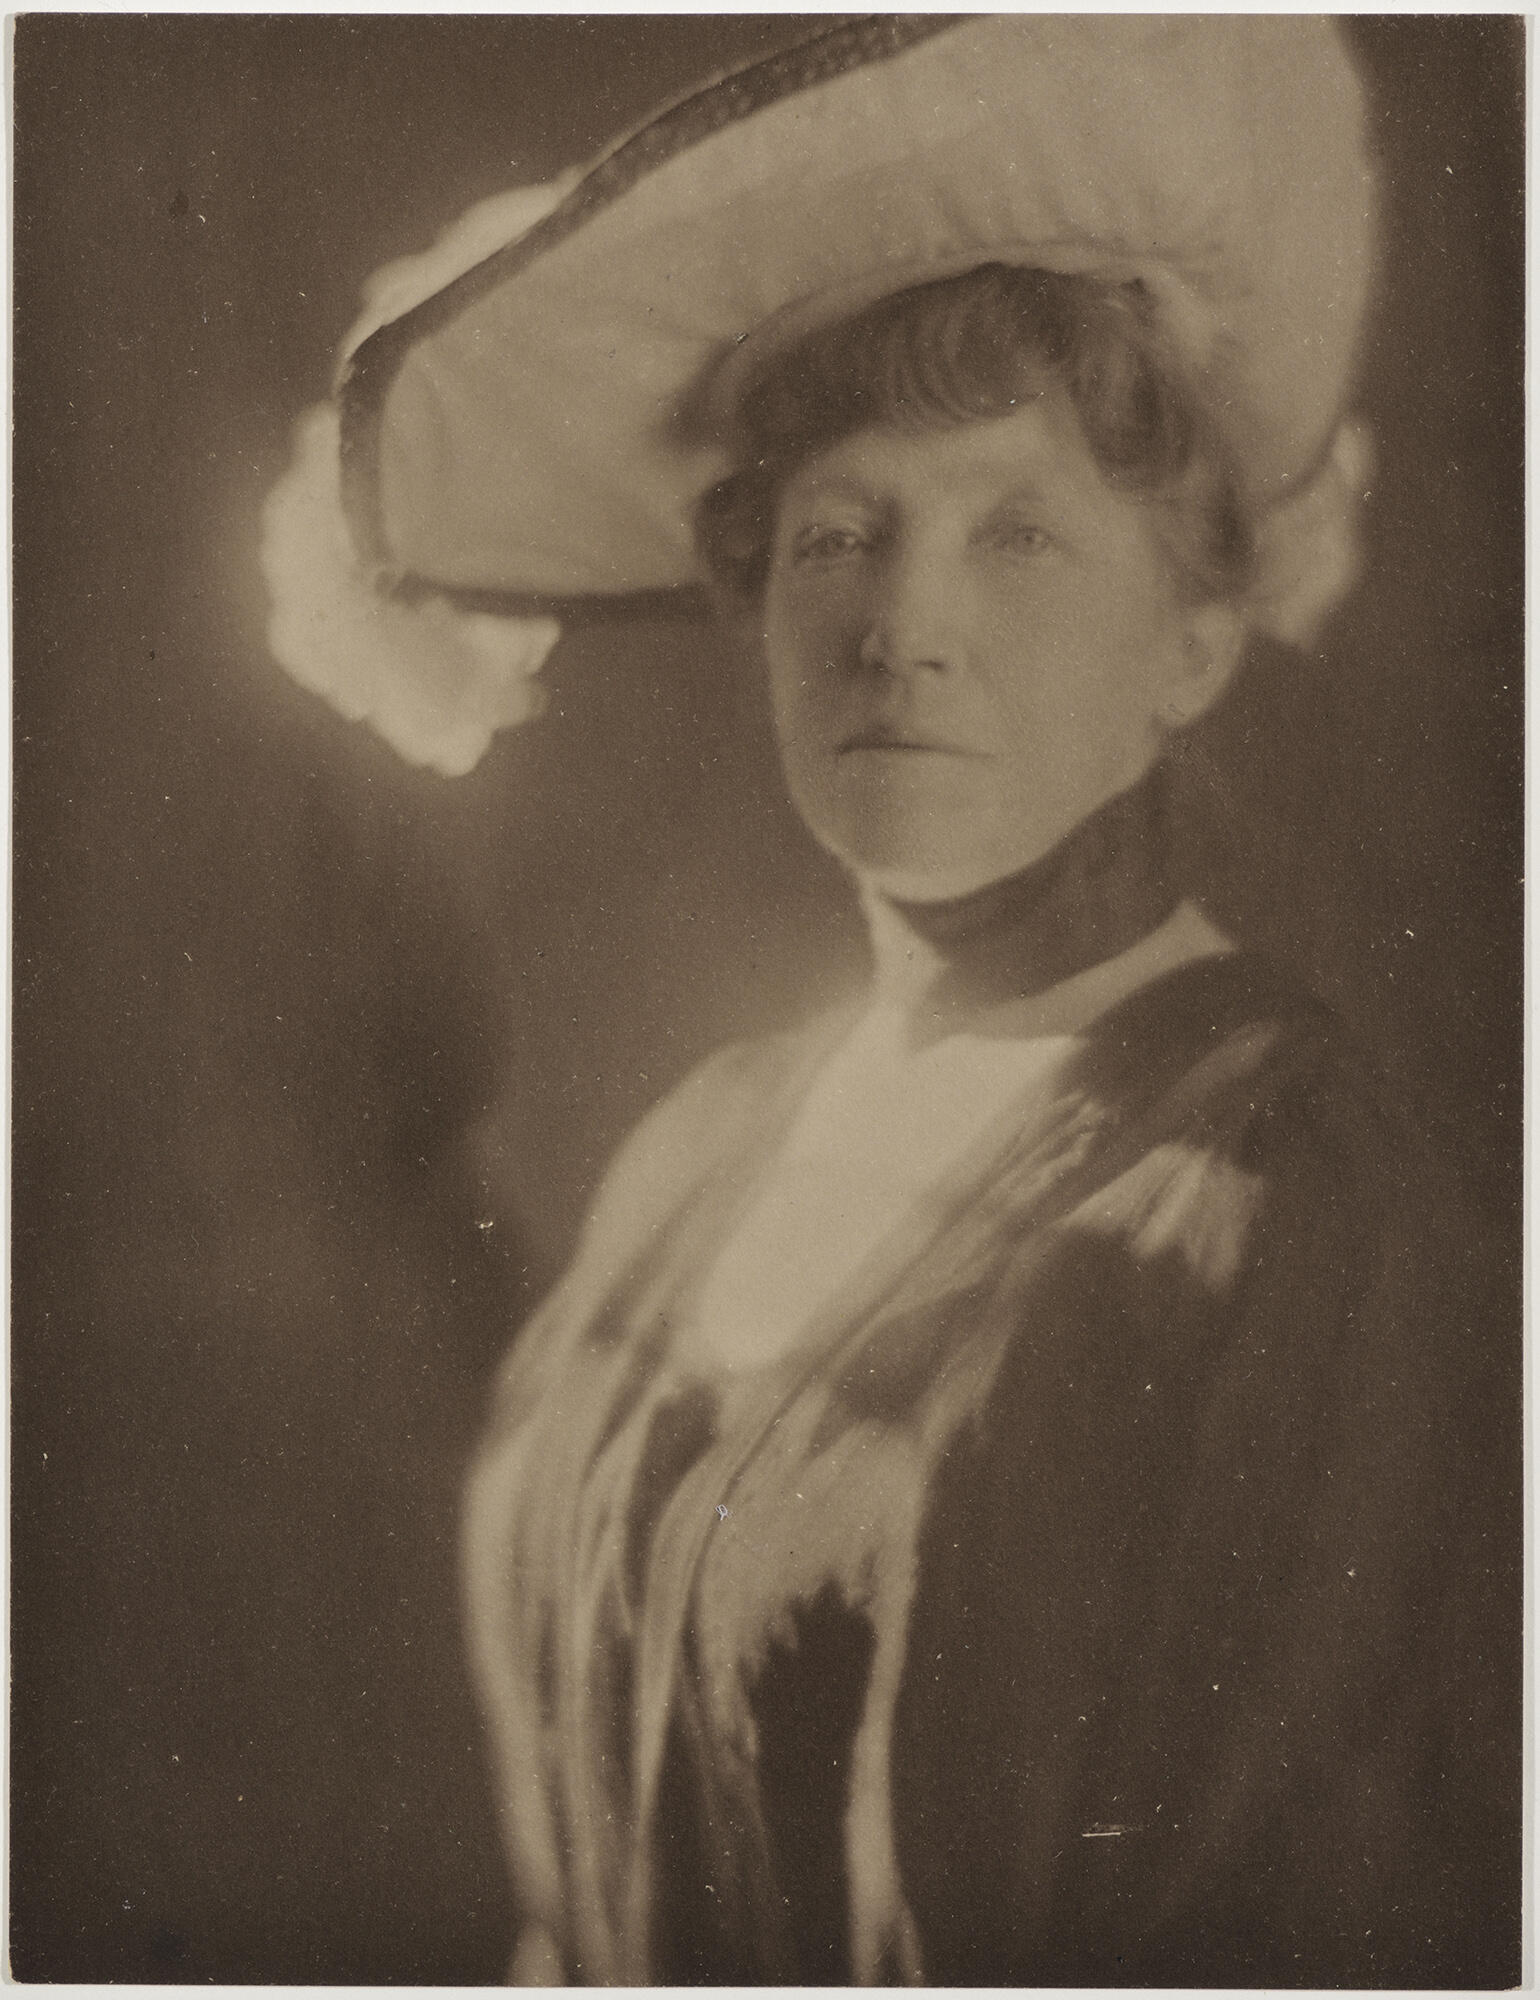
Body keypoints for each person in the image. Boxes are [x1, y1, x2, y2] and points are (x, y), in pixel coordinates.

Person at [261, 18, 1519, 1987]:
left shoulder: (1294, 1226)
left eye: (1014, 532)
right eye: (836, 531)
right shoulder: (701, 1149)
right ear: (753, 592)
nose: (900, 619)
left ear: (1188, 630)